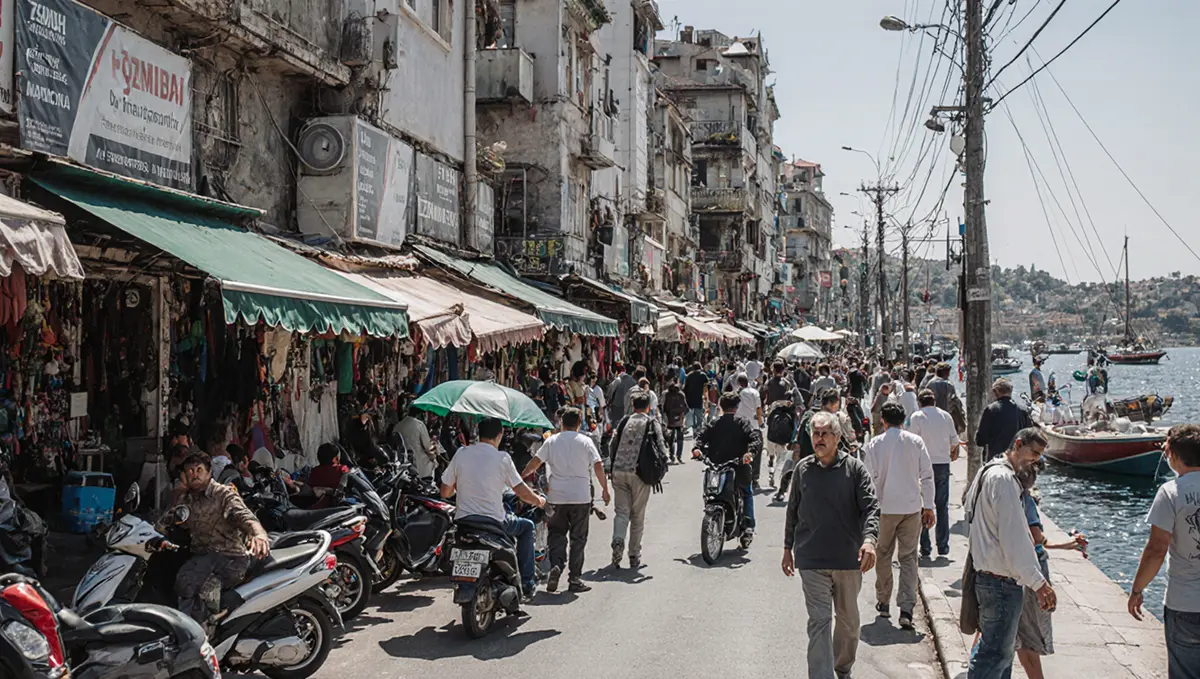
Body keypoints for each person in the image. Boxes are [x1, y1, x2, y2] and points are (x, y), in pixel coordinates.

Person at [782, 411, 880, 679]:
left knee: (848, 623)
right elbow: (793, 509)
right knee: (819, 622)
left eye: (825, 433)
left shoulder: (855, 469)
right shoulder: (802, 469)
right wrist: (787, 548)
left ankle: (842, 667)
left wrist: (869, 540)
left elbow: (871, 507)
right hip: (811, 560)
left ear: (837, 438)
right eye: (815, 433)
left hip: (848, 559)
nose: (819, 438)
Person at [964, 427, 1056, 679]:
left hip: (990, 576)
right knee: (995, 655)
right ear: (1017, 444)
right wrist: (1039, 583)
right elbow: (1014, 539)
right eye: (1033, 452)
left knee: (999, 657)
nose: (1035, 460)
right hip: (1000, 581)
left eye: (1039, 456)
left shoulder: (988, 471)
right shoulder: (1004, 480)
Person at [441, 417, 547, 601]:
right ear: (500, 435)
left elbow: (445, 491)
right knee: (527, 526)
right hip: (495, 522)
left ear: (477, 434)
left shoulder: (461, 453)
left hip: (464, 521)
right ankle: (528, 583)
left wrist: (462, 486)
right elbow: (521, 490)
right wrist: (538, 500)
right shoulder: (502, 458)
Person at [162, 453, 270, 622]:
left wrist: (259, 535)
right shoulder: (186, 499)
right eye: (190, 471)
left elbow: (245, 517)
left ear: (209, 472)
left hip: (229, 557)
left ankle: (200, 636)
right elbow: (166, 522)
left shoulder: (223, 494)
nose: (195, 474)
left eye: (199, 470)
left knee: (191, 581)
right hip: (202, 556)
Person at [1130, 424, 1200, 678]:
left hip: (1186, 603)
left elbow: (1157, 549)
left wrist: (1137, 589)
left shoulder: (1171, 492)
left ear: (1172, 454)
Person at [521, 408, 611, 594]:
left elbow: (535, 462)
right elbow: (598, 465)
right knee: (578, 538)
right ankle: (575, 579)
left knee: (556, 534)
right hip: (581, 497)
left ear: (561, 422)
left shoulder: (551, 441)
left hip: (557, 497)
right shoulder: (586, 441)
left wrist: (521, 478)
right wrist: (605, 489)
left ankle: (556, 566)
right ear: (579, 423)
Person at [861, 403, 935, 630]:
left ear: (883, 420)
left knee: (883, 554)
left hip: (884, 508)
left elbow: (868, 480)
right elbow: (928, 476)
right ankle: (906, 608)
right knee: (908, 557)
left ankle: (883, 601)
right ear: (904, 420)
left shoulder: (874, 444)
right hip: (911, 507)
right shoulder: (916, 442)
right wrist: (929, 506)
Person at [1015, 463, 1085, 679]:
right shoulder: (1026, 502)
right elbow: (1037, 540)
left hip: (1008, 571)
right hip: (1029, 573)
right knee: (1028, 638)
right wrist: (1068, 544)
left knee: (994, 632)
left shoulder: (1006, 499)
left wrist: (1069, 544)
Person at [607, 392, 668, 570]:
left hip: (619, 470)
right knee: (637, 516)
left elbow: (612, 444)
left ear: (633, 406)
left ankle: (618, 541)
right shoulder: (651, 422)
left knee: (621, 512)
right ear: (648, 406)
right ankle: (634, 554)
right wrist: (662, 465)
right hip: (639, 473)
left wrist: (612, 466)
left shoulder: (624, 421)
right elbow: (662, 446)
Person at [695, 392, 761, 535]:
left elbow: (701, 436)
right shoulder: (740, 422)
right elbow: (755, 438)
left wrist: (749, 454)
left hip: (737, 466)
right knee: (712, 493)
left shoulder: (716, 423)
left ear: (720, 406)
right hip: (718, 468)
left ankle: (748, 526)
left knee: (746, 492)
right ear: (737, 407)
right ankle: (748, 526)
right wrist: (697, 449)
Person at [907, 390, 961, 557]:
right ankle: (943, 545)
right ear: (934, 401)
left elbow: (911, 441)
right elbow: (955, 441)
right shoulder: (946, 416)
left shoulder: (916, 417)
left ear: (919, 401)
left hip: (922, 465)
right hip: (943, 464)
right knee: (942, 506)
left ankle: (925, 546)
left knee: (924, 506)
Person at [975, 378, 1033, 461]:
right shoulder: (1022, 410)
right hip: (1017, 461)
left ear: (997, 391)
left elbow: (980, 440)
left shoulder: (991, 410)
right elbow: (1030, 436)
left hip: (996, 460)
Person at [394, 406, 437, 480]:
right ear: (419, 414)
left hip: (402, 461)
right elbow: (427, 447)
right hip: (419, 463)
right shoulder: (420, 425)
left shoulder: (398, 425)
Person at [929, 362, 967, 434]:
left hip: (932, 418)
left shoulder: (930, 384)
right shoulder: (949, 384)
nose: (949, 375)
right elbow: (954, 403)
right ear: (943, 372)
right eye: (947, 372)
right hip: (947, 418)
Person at [661, 381, 688, 464]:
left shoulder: (666, 394)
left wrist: (663, 416)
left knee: (671, 438)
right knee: (680, 438)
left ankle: (672, 456)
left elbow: (662, 406)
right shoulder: (681, 394)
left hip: (669, 419)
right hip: (679, 419)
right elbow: (686, 408)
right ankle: (679, 456)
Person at [684, 362, 709, 436]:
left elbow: (685, 388)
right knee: (699, 415)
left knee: (692, 415)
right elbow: (707, 385)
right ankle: (699, 430)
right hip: (699, 398)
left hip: (690, 399)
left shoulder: (689, 376)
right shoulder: (703, 375)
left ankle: (694, 430)